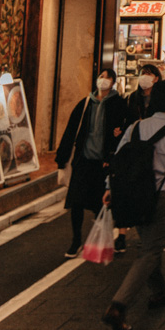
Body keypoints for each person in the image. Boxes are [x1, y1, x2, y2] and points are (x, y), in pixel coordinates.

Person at [100, 79, 165, 330]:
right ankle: (118, 306)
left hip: (132, 196)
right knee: (151, 251)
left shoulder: (135, 127)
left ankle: (159, 292)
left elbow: (118, 162)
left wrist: (109, 189)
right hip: (158, 198)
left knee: (149, 245)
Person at [56, 68, 126, 258]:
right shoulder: (86, 103)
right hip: (83, 160)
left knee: (101, 204)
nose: (102, 80)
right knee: (76, 202)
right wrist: (61, 158)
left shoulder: (118, 104)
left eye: (106, 78)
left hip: (103, 163)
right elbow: (71, 130)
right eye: (100, 77)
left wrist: (113, 152)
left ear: (113, 82)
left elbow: (125, 129)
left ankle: (103, 240)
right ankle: (76, 240)